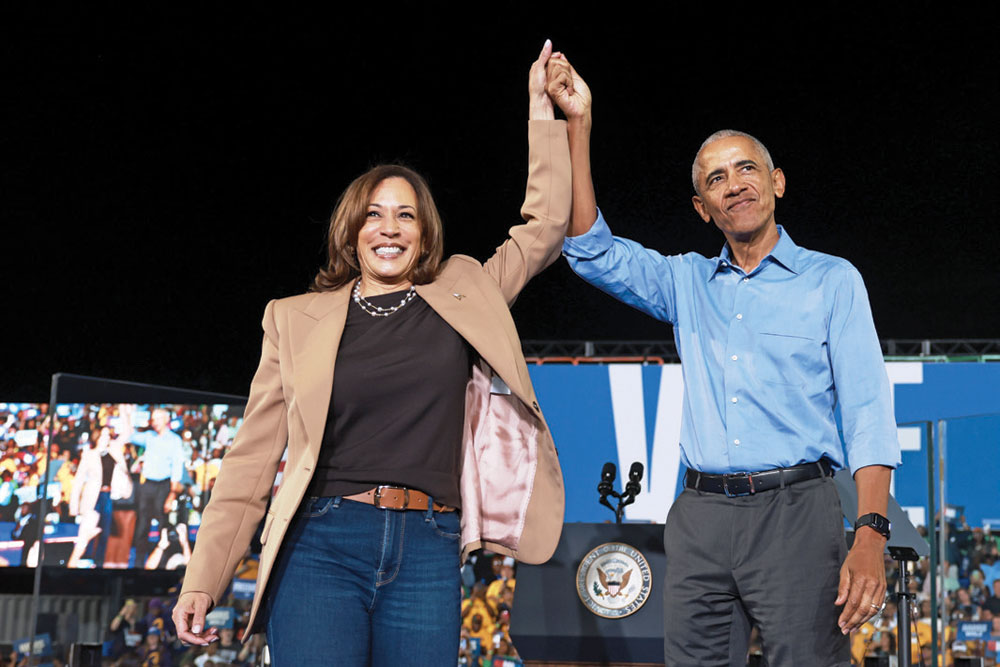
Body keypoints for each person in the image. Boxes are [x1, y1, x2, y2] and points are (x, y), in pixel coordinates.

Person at [172, 41, 573, 666]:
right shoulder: (292, 318)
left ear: (424, 231)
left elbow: (545, 226)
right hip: (322, 543)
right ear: (352, 230)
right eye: (375, 216)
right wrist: (203, 578)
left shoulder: (465, 292)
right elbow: (251, 460)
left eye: (406, 216)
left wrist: (543, 115)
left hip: (430, 544)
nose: (390, 228)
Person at [547, 53, 900, 666]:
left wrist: (871, 533)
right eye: (715, 179)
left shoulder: (832, 281)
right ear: (701, 207)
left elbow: (868, 413)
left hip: (798, 513)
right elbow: (589, 249)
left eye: (746, 169)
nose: (734, 184)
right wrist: (579, 126)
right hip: (700, 517)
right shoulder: (686, 282)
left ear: (777, 181)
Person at [122, 406, 185, 567]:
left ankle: (162, 561)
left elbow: (177, 467)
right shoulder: (149, 436)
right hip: (147, 484)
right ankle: (138, 562)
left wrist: (172, 494)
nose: (154, 422)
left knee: (163, 522)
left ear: (166, 420)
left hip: (164, 486)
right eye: (153, 419)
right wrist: (128, 416)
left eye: (158, 418)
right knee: (143, 523)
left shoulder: (174, 440)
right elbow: (131, 436)